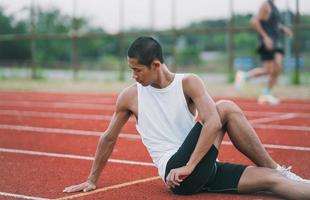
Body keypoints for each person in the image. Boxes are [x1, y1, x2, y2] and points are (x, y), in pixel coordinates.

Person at [63, 37, 309, 199]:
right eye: (131, 70)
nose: (133, 76)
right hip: (177, 174)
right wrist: (92, 180)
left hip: (203, 169)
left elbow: (212, 123)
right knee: (225, 107)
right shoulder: (130, 97)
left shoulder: (188, 83)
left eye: (137, 70)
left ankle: (278, 172)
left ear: (156, 65)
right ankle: (276, 167)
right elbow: (108, 138)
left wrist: (193, 164)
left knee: (274, 182)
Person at [234, 0, 293, 105]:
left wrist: (283, 29)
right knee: (268, 70)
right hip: (267, 42)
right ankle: (244, 76)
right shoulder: (265, 5)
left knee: (278, 68)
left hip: (275, 42)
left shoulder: (274, 6)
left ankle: (266, 94)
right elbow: (254, 21)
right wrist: (265, 37)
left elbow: (273, 24)